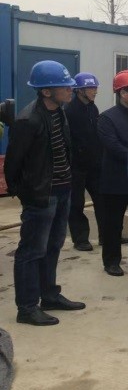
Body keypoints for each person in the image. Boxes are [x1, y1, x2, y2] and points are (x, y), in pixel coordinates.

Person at [4, 60, 86, 326]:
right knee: (31, 251)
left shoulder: (59, 112)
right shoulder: (28, 120)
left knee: (53, 246)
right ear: (46, 91)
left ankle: (49, 296)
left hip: (63, 190)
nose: (71, 89)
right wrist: (26, 194)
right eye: (65, 86)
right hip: (42, 196)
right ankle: (27, 308)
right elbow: (13, 164)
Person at [97, 71, 128, 276]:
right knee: (113, 224)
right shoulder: (107, 118)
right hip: (115, 180)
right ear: (122, 93)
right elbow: (113, 147)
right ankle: (111, 261)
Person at [64, 72, 104, 251]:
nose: (94, 91)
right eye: (90, 88)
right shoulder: (69, 111)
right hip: (77, 167)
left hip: (94, 165)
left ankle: (106, 236)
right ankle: (80, 239)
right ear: (80, 90)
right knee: (76, 203)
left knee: (103, 201)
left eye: (95, 87)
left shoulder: (93, 109)